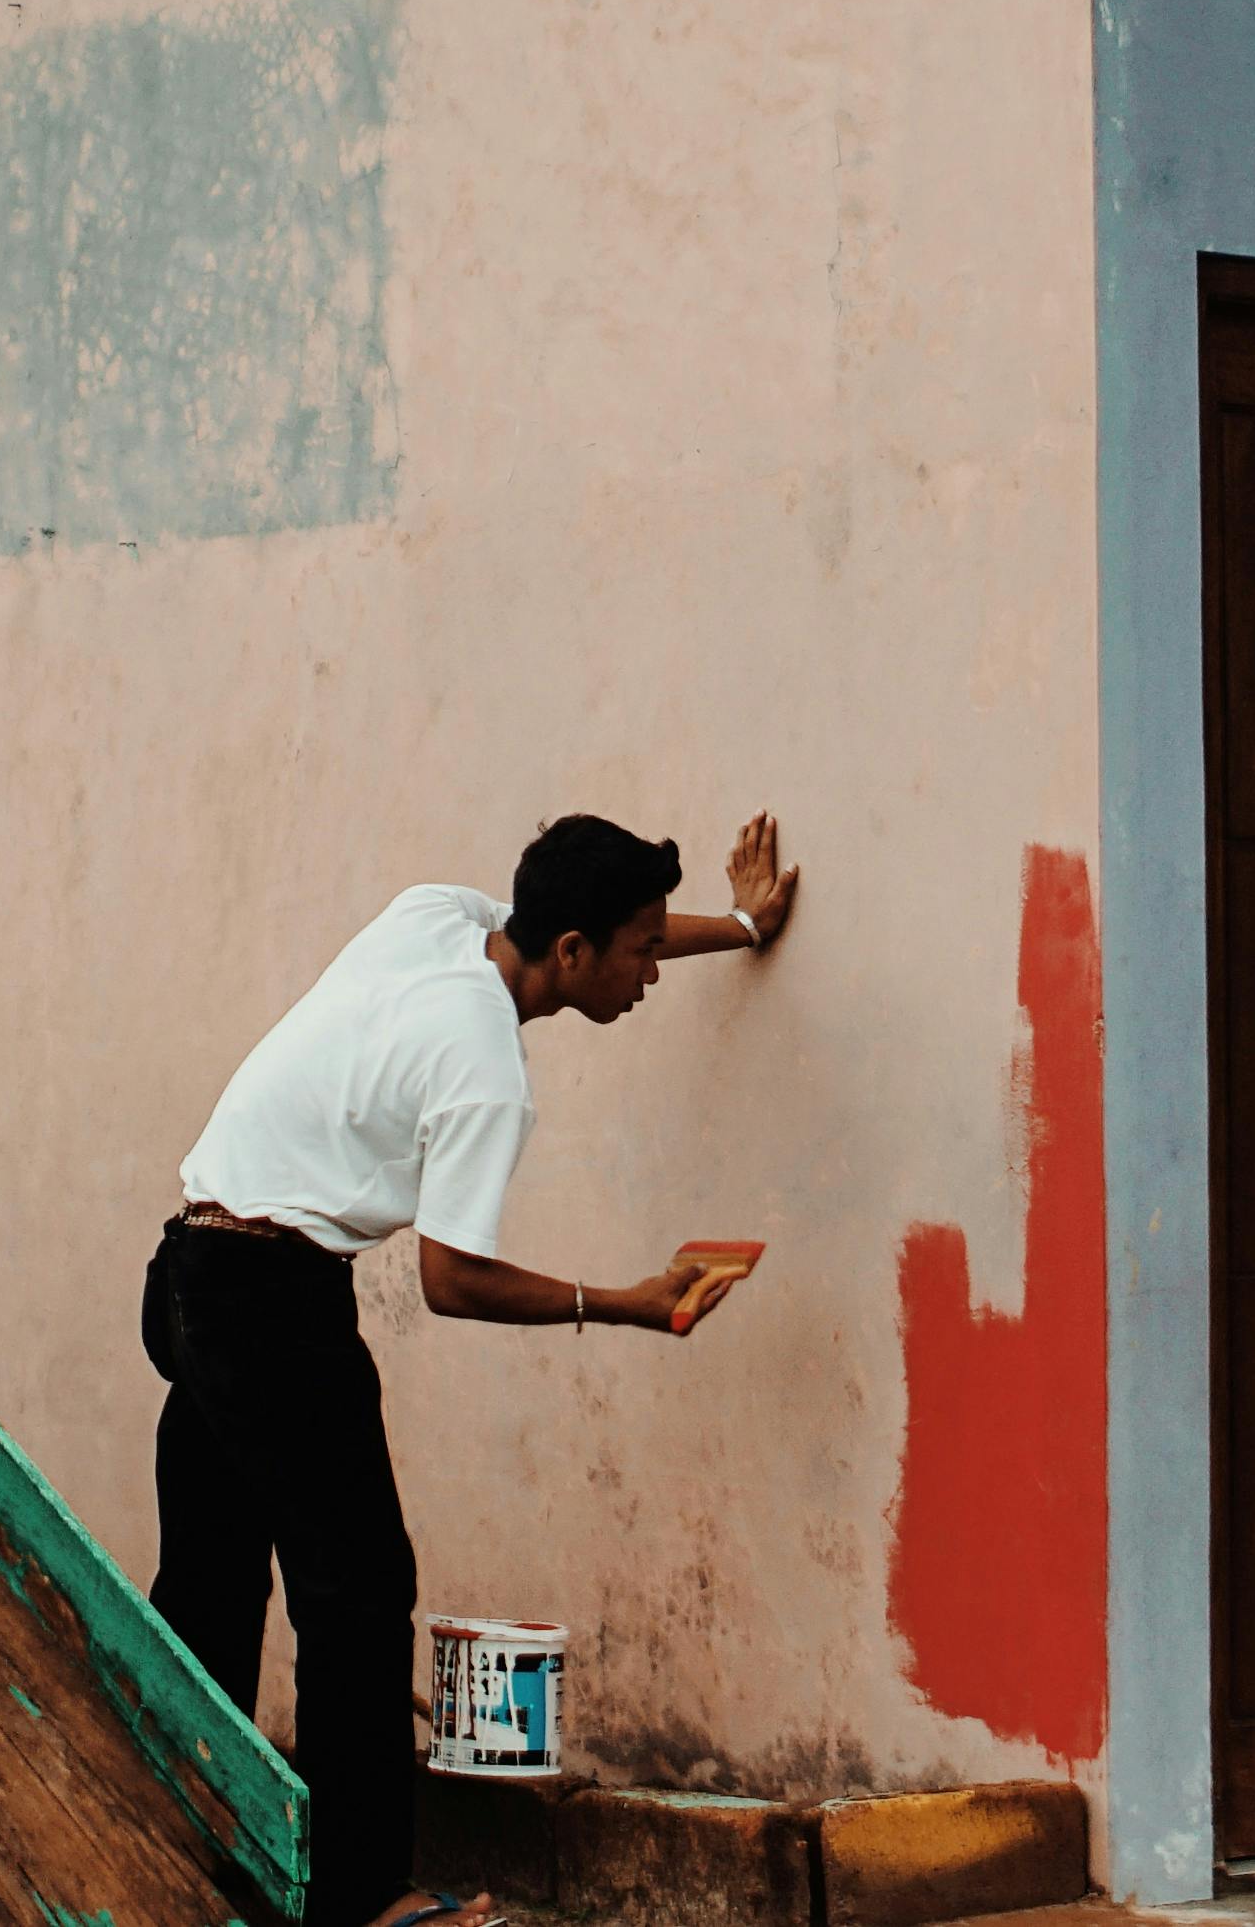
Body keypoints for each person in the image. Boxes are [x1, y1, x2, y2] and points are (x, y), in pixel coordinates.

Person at [144, 809, 802, 1927]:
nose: (651, 969)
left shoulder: (435, 915)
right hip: (272, 1306)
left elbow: (574, 918)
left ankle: (158, 1841)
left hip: (185, 1269)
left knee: (210, 1588)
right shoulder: (488, 1066)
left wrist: (737, 926)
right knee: (356, 1594)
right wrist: (621, 1303)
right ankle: (370, 1901)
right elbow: (451, 1278)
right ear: (572, 955)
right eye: (640, 949)